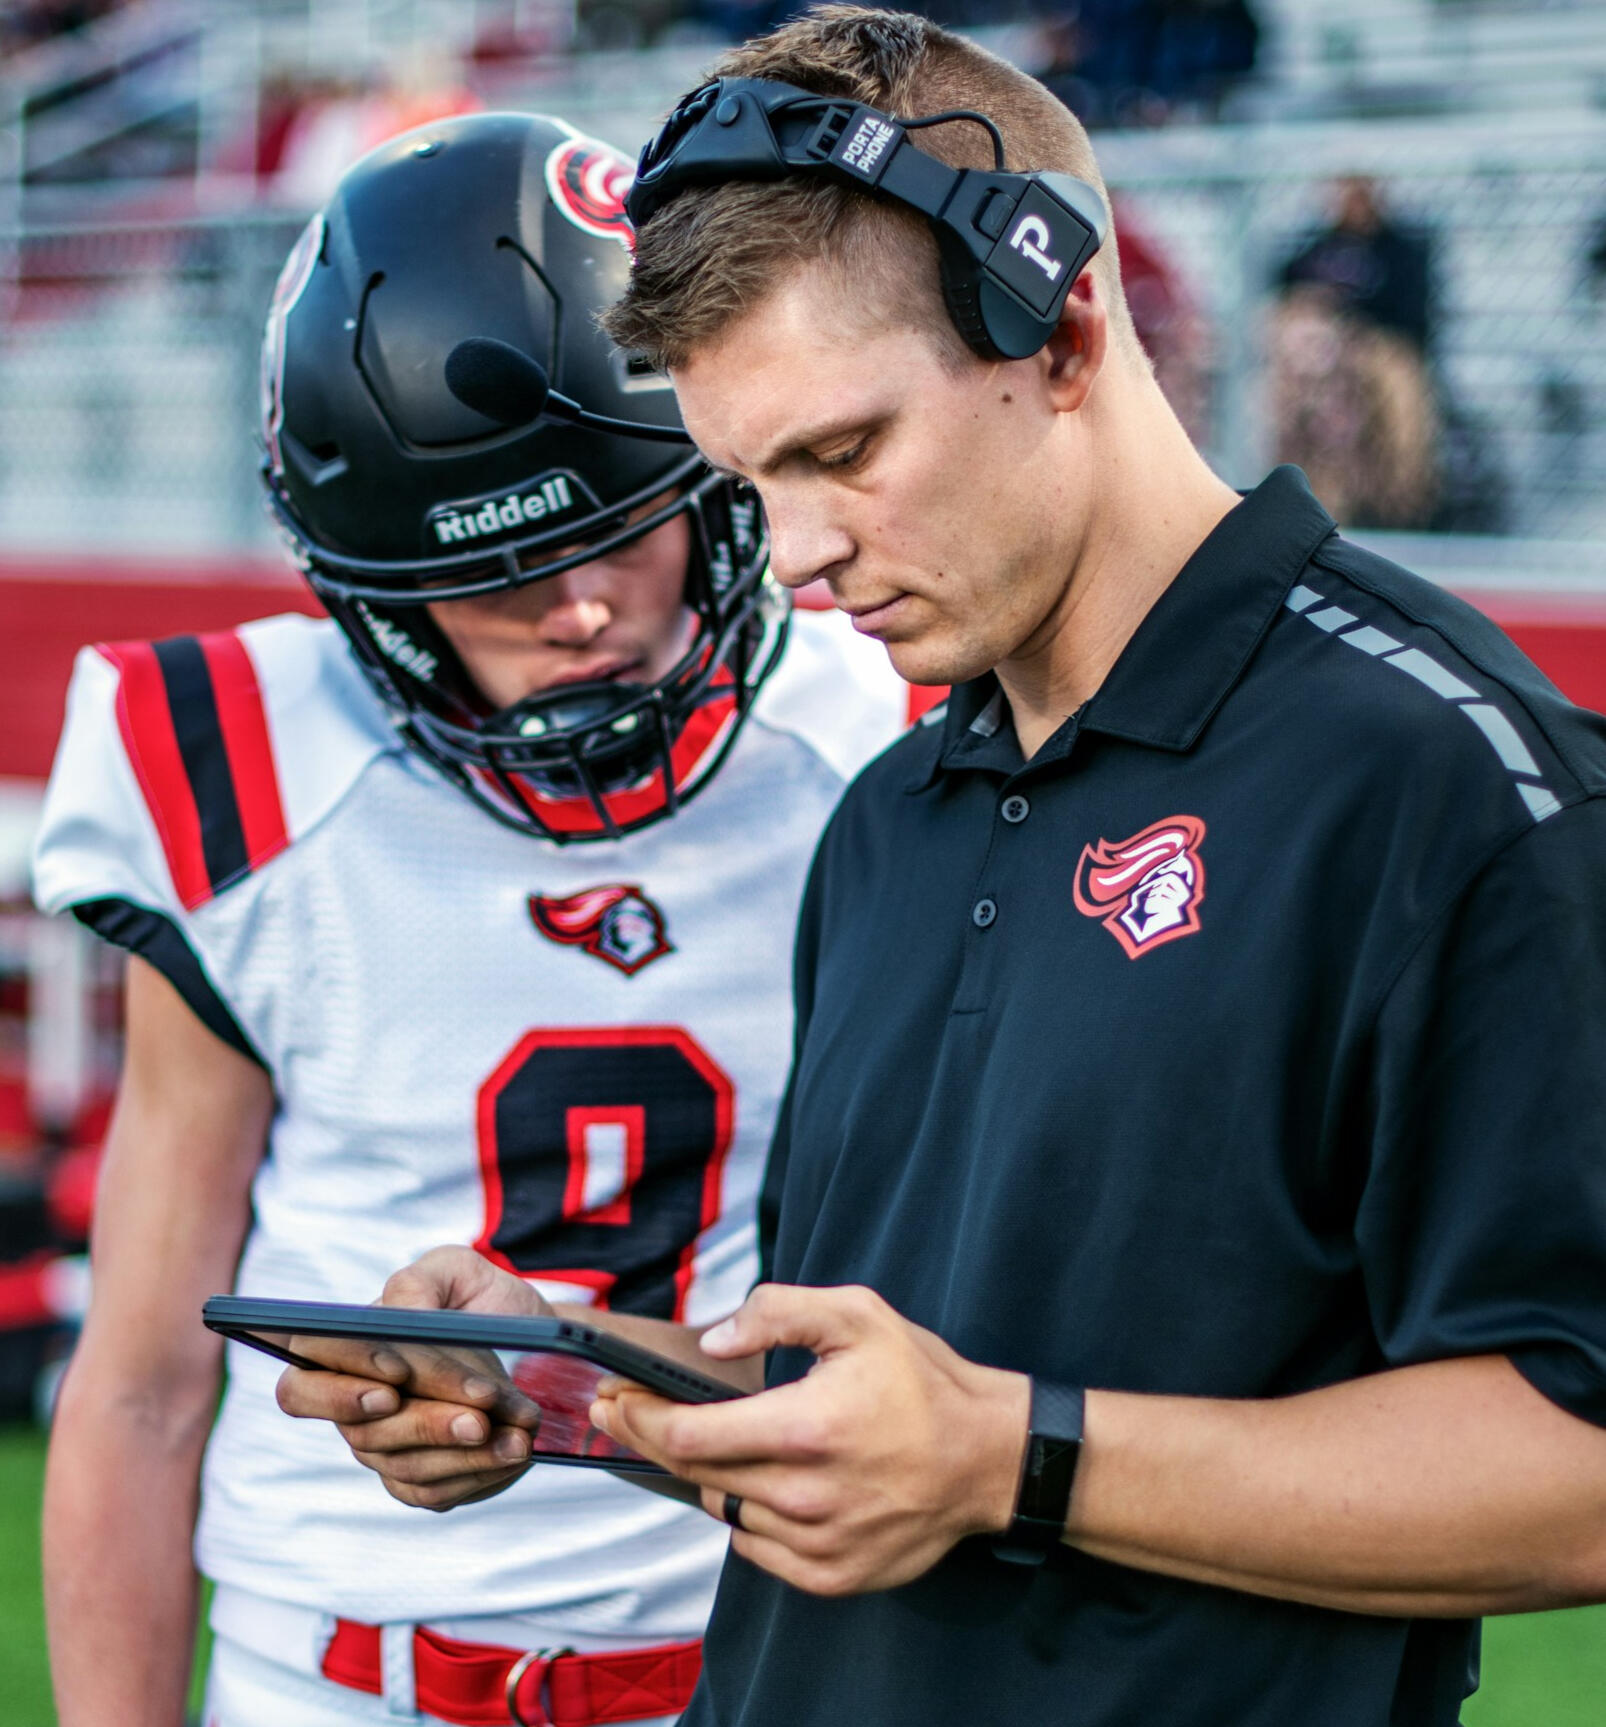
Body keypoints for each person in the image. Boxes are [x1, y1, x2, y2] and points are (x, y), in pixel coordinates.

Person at [277, 11, 1606, 1727]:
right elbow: (895, 1411)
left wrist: (1006, 1459)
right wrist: (570, 1384)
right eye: (754, 485)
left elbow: (1575, 1462)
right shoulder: (892, 811)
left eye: (842, 453)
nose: (804, 553)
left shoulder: (1449, 778)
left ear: (1061, 330)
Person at [31, 110, 906, 1727]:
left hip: (751, 1660)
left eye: (612, 534)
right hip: (338, 1674)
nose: (579, 610)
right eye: (500, 575)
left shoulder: (884, 746)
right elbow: (144, 1386)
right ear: (372, 592)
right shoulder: (240, 772)